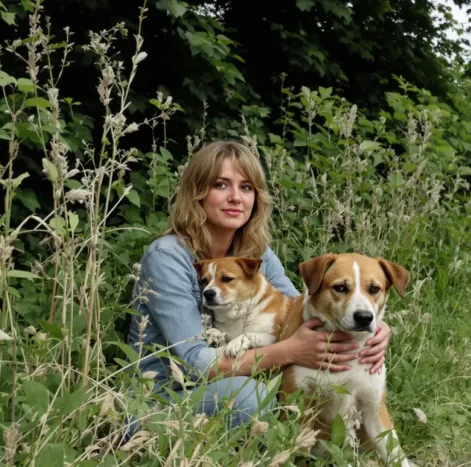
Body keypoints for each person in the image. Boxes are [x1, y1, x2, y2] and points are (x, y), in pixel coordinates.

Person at [125, 140, 392, 429]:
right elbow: (198, 363)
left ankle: (333, 449)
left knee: (354, 378)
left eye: (246, 187)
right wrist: (289, 351)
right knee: (255, 398)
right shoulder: (168, 257)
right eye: (221, 185)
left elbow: (297, 311)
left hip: (227, 385)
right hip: (162, 399)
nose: (236, 198)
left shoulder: (254, 251)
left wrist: (374, 324)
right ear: (196, 192)